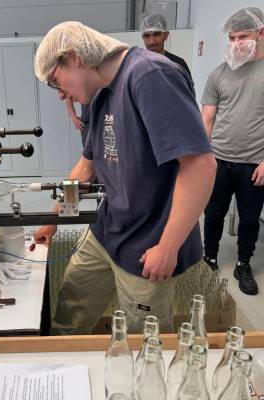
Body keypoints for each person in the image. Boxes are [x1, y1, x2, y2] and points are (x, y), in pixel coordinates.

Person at [33, 21, 216, 334]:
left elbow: (200, 165)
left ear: (74, 58)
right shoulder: (101, 92)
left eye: (56, 81)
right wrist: (55, 220)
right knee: (69, 313)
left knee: (144, 341)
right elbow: (86, 168)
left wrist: (168, 248)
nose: (61, 93)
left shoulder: (150, 76)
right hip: (107, 231)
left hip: (149, 242)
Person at [201, 7, 264, 296]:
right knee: (214, 213)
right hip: (219, 160)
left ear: (260, 34)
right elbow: (207, 121)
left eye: (243, 36)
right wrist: (204, 159)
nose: (237, 43)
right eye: (232, 37)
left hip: (255, 163)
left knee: (250, 219)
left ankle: (243, 263)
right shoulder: (218, 74)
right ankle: (209, 258)